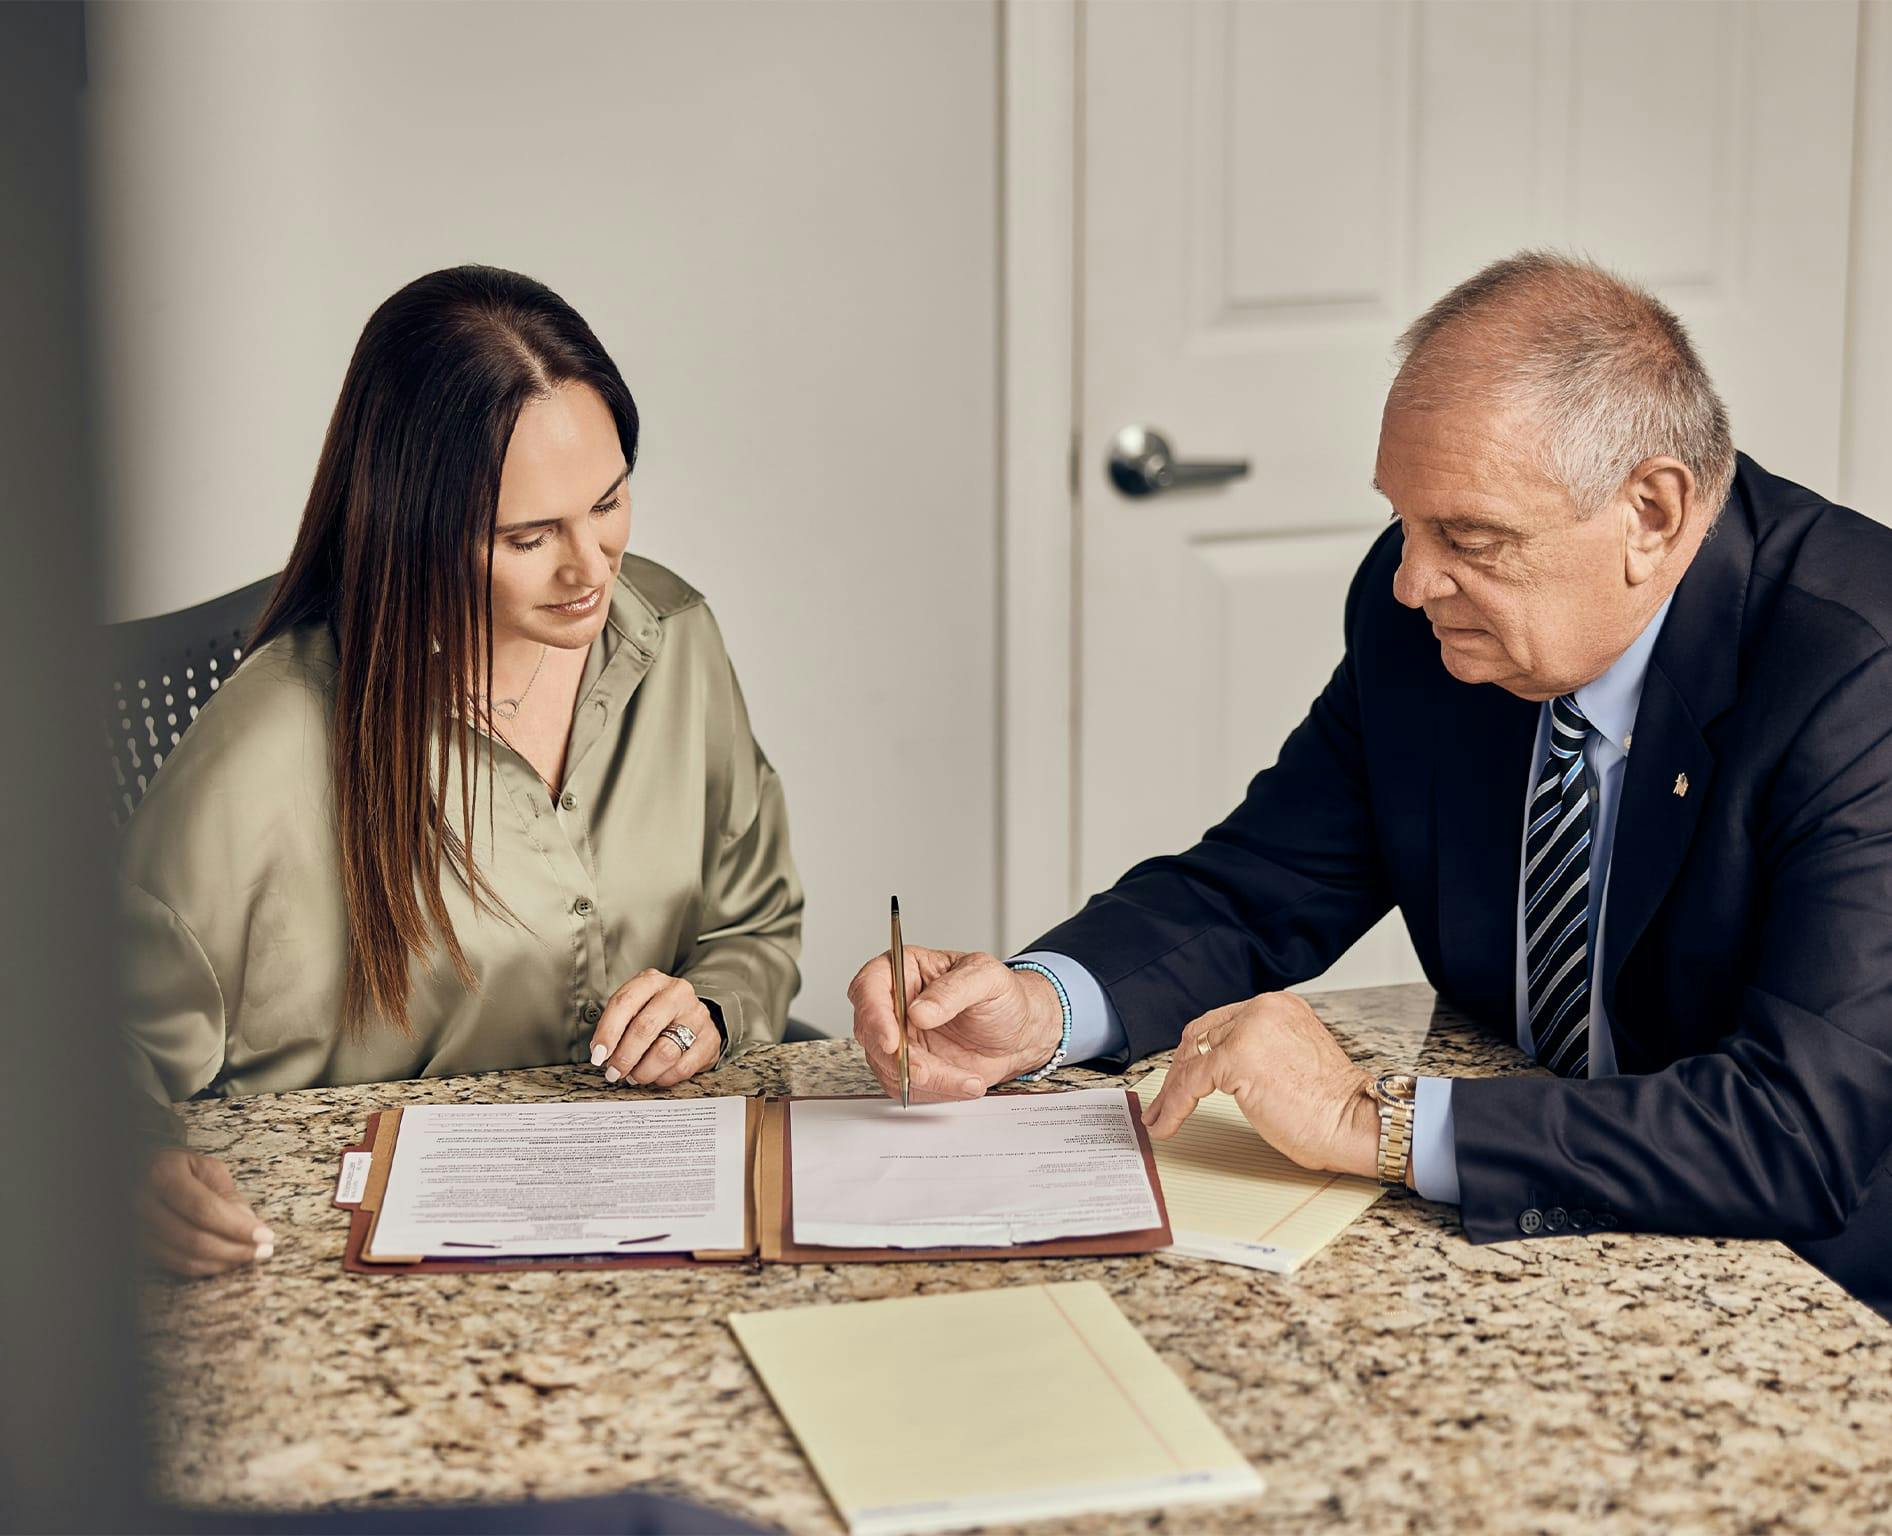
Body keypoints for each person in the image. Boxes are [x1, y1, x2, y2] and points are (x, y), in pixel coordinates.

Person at [848, 252, 1892, 1320]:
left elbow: (1796, 1136)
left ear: (1652, 512)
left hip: (1826, 1287)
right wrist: (1037, 1009)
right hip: (1553, 1241)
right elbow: (1262, 880)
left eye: (1466, 537)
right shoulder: (1430, 620)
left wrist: (1372, 1119)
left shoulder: (1860, 676)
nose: (1407, 579)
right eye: (1402, 519)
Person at [126, 266, 803, 1277]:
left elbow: (753, 926)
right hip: (349, 1275)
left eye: (609, 502)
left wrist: (707, 1007)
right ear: (415, 526)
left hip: (645, 1237)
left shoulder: (672, 640)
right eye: (528, 538)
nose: (592, 569)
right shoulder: (267, 752)